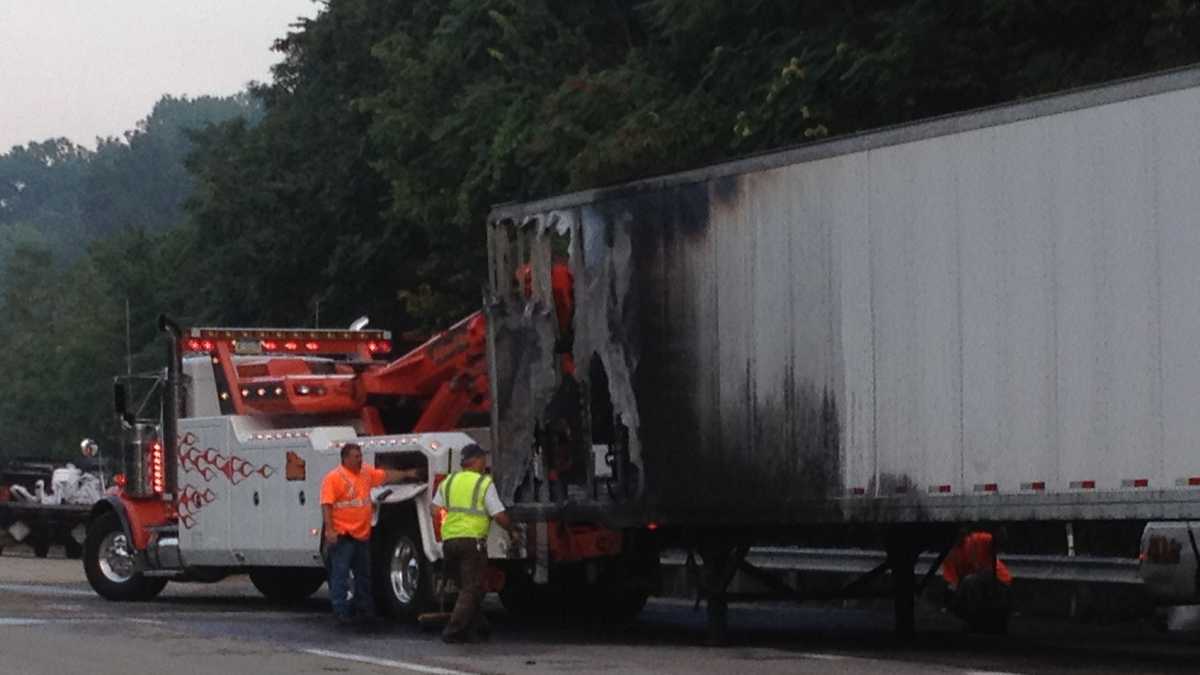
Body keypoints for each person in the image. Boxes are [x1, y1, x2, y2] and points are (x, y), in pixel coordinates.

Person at [320, 441, 418, 627]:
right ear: (345, 458)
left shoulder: (365, 473)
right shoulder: (334, 478)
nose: (360, 459)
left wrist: (407, 474)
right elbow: (327, 505)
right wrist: (330, 530)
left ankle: (365, 611)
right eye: (356, 457)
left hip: (361, 536)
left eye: (360, 456)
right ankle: (341, 612)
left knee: (363, 576)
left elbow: (386, 476)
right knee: (340, 576)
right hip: (343, 536)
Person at [432, 443, 515, 643]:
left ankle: (480, 626)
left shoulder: (449, 481)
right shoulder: (483, 484)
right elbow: (498, 515)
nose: (485, 464)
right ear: (476, 460)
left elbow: (434, 509)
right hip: (472, 542)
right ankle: (453, 631)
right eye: (483, 460)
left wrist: (447, 526)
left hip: (450, 542)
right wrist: (513, 531)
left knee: (466, 588)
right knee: (472, 587)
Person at [941, 529, 1013, 633]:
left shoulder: (976, 540)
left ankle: (981, 623)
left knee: (970, 582)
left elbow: (997, 540)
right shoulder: (950, 555)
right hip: (976, 588)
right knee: (963, 592)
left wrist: (999, 533)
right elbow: (952, 583)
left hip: (998, 580)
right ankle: (977, 623)